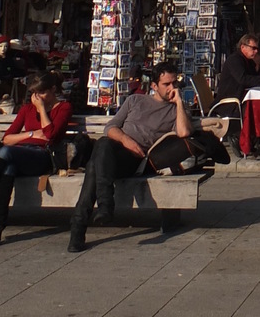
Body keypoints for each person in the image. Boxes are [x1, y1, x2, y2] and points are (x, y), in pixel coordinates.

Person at [68, 61, 192, 252]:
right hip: (116, 151)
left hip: (136, 160)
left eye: (174, 83)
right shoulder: (135, 100)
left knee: (95, 162)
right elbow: (110, 128)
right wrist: (126, 140)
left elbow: (183, 133)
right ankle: (103, 206)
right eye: (166, 84)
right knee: (101, 148)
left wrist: (179, 103)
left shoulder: (175, 111)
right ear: (154, 86)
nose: (171, 88)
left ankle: (84, 224)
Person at [0, 72, 73, 248]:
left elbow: (50, 136)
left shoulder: (64, 108)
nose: (37, 97)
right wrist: (31, 134)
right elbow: (7, 138)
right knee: (7, 168)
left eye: (42, 93)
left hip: (44, 156)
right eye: (35, 93)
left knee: (7, 154)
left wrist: (41, 109)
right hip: (19, 154)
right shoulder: (26, 109)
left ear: (53, 89)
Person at [215, 33, 260, 104]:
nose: (256, 51)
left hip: (241, 99)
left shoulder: (248, 60)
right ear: (243, 47)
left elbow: (255, 77)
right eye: (253, 48)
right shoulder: (234, 59)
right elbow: (243, 79)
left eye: (257, 49)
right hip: (230, 103)